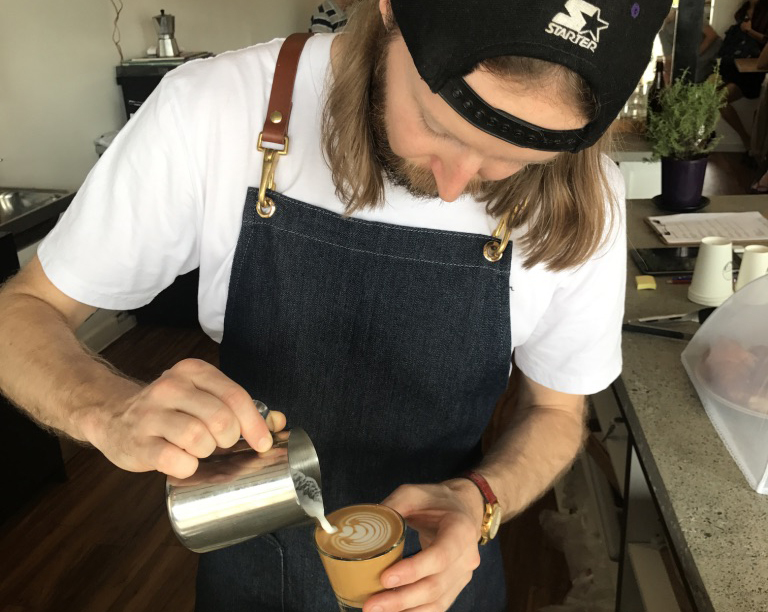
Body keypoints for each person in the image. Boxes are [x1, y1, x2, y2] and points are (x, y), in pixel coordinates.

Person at [0, 1, 670, 611]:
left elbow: (555, 412)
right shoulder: (213, 109)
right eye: (439, 125)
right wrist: (106, 407)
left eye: (514, 161)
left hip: (443, 579)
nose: (455, 184)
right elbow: (20, 313)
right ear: (389, 12)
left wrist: (481, 501)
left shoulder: (593, 201)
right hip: (251, 571)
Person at [717, 0, 768, 152]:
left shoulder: (765, 12)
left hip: (754, 69)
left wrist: (749, 31)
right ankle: (749, 142)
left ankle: (748, 141)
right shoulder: (743, 9)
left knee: (720, 99)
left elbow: (766, 41)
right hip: (736, 66)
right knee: (715, 98)